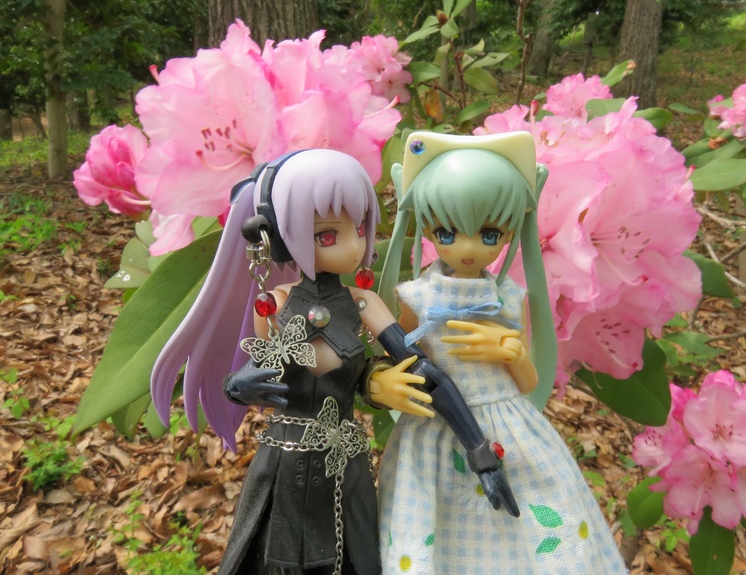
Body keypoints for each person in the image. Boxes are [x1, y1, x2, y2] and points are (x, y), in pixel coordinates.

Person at [150, 149, 516, 575]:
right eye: (327, 236)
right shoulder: (274, 305)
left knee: (354, 557)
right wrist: (238, 386)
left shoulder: (364, 303)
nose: (355, 246)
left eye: (360, 229)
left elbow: (425, 373)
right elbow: (258, 371)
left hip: (344, 462)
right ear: (280, 239)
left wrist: (480, 452)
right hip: (282, 461)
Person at [376, 131, 627, 574]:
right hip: (434, 429)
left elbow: (528, 383)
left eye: (489, 234)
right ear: (427, 228)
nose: (467, 248)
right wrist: (388, 382)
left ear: (510, 231)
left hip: (506, 425)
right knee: (432, 530)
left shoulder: (507, 297)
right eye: (447, 233)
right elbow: (403, 354)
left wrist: (511, 352)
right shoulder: (417, 296)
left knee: (532, 518)